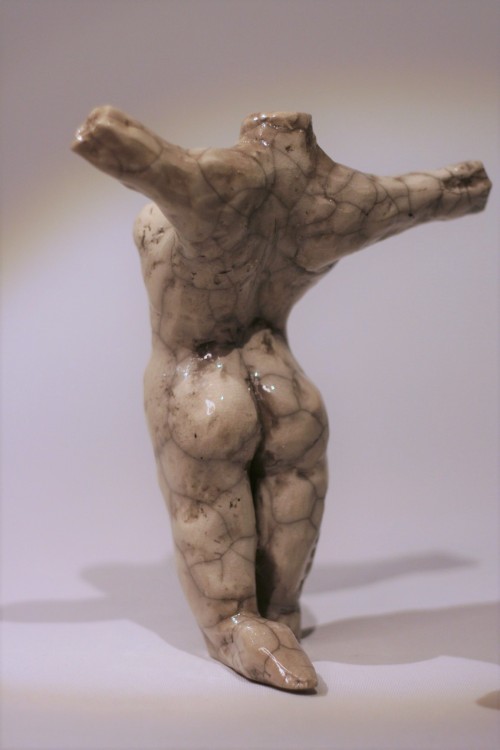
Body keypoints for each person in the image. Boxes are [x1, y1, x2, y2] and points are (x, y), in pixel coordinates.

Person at [73, 107, 491, 690]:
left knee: (207, 504)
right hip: (282, 376)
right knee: (296, 479)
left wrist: (112, 138)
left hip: (198, 381)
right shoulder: (338, 197)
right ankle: (281, 612)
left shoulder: (215, 186)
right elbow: (445, 191)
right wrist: (455, 188)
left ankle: (236, 625)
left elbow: (140, 155)